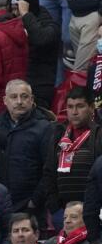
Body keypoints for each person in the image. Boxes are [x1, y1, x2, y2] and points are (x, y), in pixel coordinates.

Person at [0, 80, 52, 212]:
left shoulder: (44, 128)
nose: (19, 101)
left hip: (31, 206)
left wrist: (35, 201)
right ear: (5, 100)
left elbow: (49, 168)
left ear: (32, 100)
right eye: (14, 97)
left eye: (24, 96)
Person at [41, 87, 102, 224]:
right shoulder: (58, 136)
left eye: (80, 106)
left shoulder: (99, 135)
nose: (74, 112)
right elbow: (48, 173)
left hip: (93, 211)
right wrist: (55, 209)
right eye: (70, 107)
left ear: (91, 108)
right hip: (63, 213)